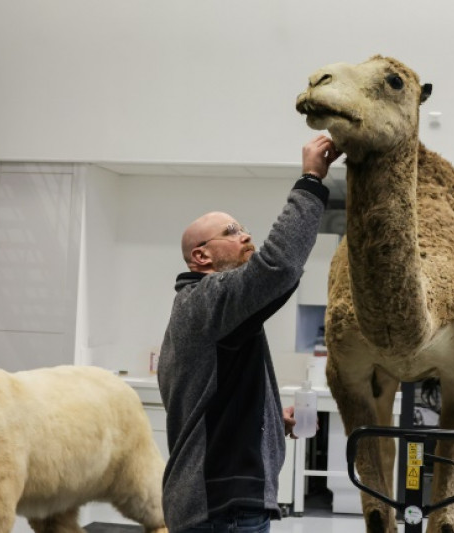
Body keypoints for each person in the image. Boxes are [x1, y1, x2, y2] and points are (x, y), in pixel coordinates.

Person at [157, 135, 339, 533]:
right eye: (232, 230)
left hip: (216, 509)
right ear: (201, 256)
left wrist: (273, 419)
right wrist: (311, 179)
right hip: (224, 513)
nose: (245, 236)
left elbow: (218, 406)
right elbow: (278, 267)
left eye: (243, 228)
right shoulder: (205, 303)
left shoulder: (202, 311)